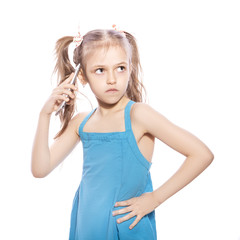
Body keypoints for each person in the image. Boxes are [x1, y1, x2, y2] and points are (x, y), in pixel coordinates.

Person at [31, 26, 214, 240]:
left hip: (125, 228)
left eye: (120, 68)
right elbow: (40, 169)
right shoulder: (81, 123)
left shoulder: (139, 115)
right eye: (100, 70)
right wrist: (44, 114)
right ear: (82, 76)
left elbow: (202, 154)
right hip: (86, 227)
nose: (112, 79)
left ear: (130, 67)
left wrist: (154, 199)